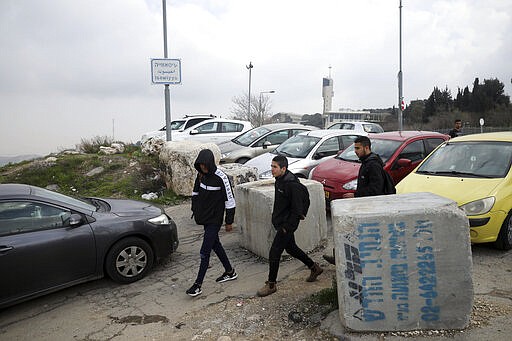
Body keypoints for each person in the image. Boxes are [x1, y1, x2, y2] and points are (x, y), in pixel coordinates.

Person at [257, 155, 323, 297]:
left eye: (275, 167)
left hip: (286, 226)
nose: (272, 169)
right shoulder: (280, 180)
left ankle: (271, 284)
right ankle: (314, 267)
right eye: (271, 166)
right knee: (292, 249)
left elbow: (297, 209)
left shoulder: (292, 184)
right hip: (281, 222)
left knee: (274, 253)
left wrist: (287, 227)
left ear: (284, 168)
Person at [323, 135, 388, 264]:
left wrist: (355, 195)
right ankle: (341, 257)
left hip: (370, 206)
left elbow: (376, 189)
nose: (355, 151)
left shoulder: (373, 164)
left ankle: (344, 258)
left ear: (366, 147)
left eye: (358, 148)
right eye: (355, 148)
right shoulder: (367, 162)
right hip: (364, 204)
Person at [186, 149, 237, 297]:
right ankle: (230, 271)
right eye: (200, 165)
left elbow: (230, 201)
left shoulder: (222, 178)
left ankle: (197, 285)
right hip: (204, 218)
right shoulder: (200, 175)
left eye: (205, 165)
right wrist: (195, 209)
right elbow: (195, 193)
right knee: (216, 245)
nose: (203, 168)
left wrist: (229, 222)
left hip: (215, 219)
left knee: (204, 251)